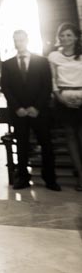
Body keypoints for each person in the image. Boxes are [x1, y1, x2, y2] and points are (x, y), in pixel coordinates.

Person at [0, 30, 59, 191]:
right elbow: (6, 88)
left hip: (38, 111)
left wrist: (37, 107)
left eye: (21, 40)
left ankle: (50, 178)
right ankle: (23, 177)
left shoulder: (41, 61)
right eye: (15, 40)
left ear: (27, 40)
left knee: (45, 144)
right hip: (18, 112)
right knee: (22, 145)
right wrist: (17, 107)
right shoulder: (7, 64)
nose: (18, 43)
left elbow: (46, 86)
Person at [48, 23, 82, 191]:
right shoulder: (54, 56)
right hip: (64, 99)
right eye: (62, 35)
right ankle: (80, 175)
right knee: (71, 137)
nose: (65, 38)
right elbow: (53, 81)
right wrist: (61, 99)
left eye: (69, 35)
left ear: (76, 37)